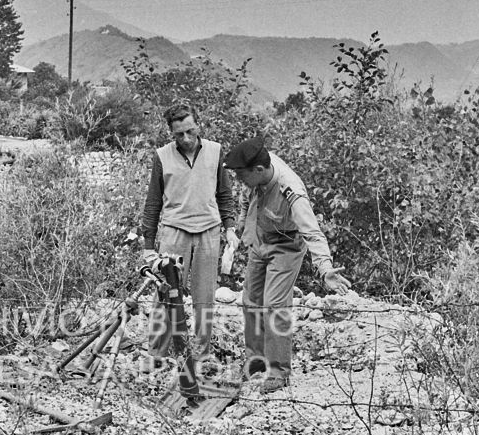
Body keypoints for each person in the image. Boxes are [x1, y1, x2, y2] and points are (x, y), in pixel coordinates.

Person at [222, 134, 350, 394]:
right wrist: (243, 230)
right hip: (260, 240)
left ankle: (278, 371)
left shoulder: (291, 189)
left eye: (241, 175)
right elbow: (249, 198)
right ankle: (255, 361)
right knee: (250, 301)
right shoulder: (258, 171)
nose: (239, 180)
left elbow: (312, 231)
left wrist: (325, 268)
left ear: (258, 170)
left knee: (275, 306)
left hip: (286, 246)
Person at [141, 102, 238, 366]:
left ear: (198, 126)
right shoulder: (162, 156)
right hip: (174, 231)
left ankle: (202, 355)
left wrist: (230, 228)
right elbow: (153, 203)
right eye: (179, 134)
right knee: (165, 293)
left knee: (204, 297)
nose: (186, 138)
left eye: (190, 131)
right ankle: (157, 355)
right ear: (171, 133)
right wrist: (149, 245)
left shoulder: (216, 152)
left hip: (208, 230)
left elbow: (224, 194)